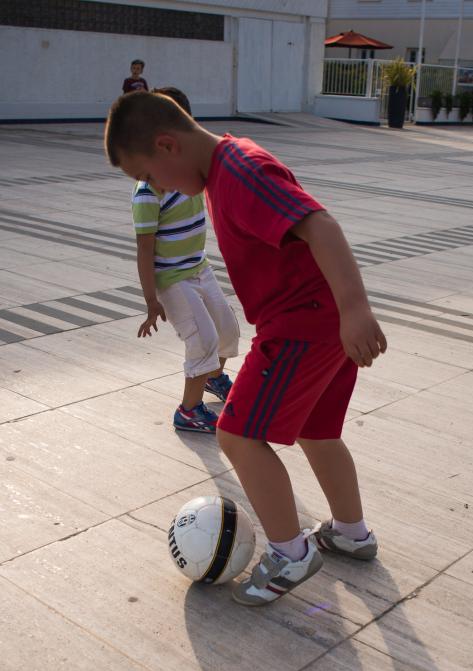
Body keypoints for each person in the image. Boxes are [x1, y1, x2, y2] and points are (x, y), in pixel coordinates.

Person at [105, 91, 388, 606]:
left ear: (168, 146)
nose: (154, 189)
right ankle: (351, 531)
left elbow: (321, 225)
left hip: (302, 324)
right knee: (316, 431)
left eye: (147, 176)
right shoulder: (223, 168)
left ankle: (291, 553)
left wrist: (355, 308)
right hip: (317, 322)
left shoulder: (241, 172)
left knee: (236, 434)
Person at [131, 87, 239, 434]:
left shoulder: (191, 170)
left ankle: (213, 377)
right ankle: (189, 411)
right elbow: (144, 250)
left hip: (199, 267)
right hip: (172, 279)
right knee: (203, 339)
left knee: (227, 329)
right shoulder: (148, 191)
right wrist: (151, 301)